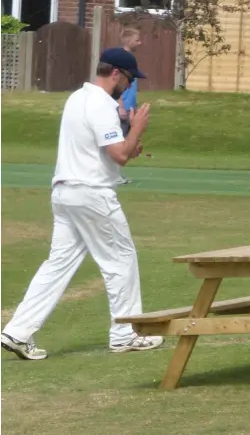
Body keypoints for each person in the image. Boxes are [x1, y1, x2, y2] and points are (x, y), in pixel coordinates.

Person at [1, 48, 164, 360]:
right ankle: (125, 334)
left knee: (57, 265)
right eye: (129, 79)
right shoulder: (102, 104)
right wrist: (137, 128)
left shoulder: (77, 97)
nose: (129, 87)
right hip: (91, 193)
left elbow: (116, 153)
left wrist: (130, 145)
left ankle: (18, 332)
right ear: (116, 73)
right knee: (121, 259)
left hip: (65, 192)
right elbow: (118, 155)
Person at [117, 27, 146, 185]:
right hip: (123, 108)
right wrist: (121, 105)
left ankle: (115, 174)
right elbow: (118, 83)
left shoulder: (130, 58)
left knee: (129, 143)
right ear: (129, 41)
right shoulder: (122, 59)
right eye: (137, 40)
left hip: (130, 107)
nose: (140, 42)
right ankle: (113, 175)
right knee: (120, 143)